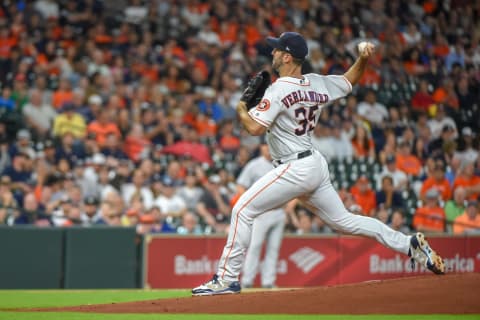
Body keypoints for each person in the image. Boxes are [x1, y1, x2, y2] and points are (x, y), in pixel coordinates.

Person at [192, 32, 445, 296]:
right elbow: (349, 81)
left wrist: (242, 108)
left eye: (277, 50)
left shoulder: (278, 89)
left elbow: (254, 128)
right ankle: (408, 244)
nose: (273, 53)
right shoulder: (315, 83)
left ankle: (226, 278)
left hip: (295, 166)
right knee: (344, 221)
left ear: (287, 56)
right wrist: (363, 58)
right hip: (312, 164)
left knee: (242, 210)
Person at [234, 143, 286, 289]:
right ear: (262, 148)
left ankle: (268, 281)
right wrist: (250, 204)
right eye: (266, 146)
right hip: (261, 213)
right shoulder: (254, 165)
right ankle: (247, 281)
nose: (268, 149)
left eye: (270, 146)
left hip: (279, 212)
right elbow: (240, 185)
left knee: (273, 248)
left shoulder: (283, 162)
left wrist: (290, 205)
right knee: (255, 246)